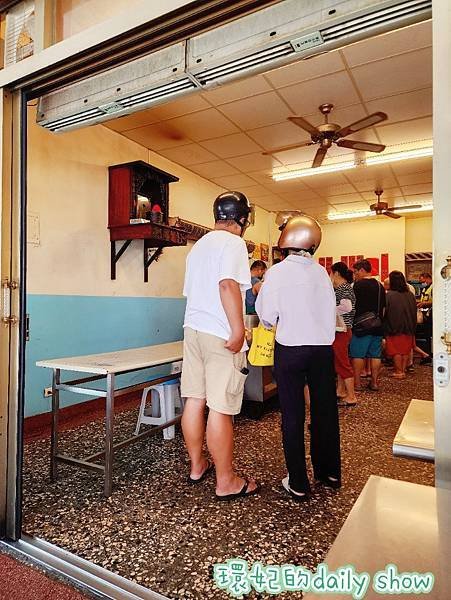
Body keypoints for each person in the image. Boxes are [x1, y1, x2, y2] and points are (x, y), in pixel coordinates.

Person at [181, 191, 260, 500]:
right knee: (220, 407)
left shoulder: (197, 247)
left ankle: (197, 465)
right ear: (241, 219)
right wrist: (238, 330)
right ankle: (226, 481)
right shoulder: (234, 243)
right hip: (220, 334)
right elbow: (227, 285)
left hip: (192, 330)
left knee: (195, 400)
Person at [256, 215, 340, 502]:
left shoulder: (277, 272)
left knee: (292, 415)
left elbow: (266, 316)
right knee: (324, 410)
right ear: (312, 244)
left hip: (290, 349)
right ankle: (329, 473)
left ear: (285, 243)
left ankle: (299, 482)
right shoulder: (322, 273)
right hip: (322, 350)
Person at [350, 259, 386, 392]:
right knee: (375, 355)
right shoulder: (379, 285)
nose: (355, 275)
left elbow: (352, 306)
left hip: (361, 326)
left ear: (361, 270)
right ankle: (374, 383)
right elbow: (383, 307)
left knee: (358, 355)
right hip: (377, 324)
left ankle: (357, 383)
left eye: (355, 272)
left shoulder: (357, 286)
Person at [330, 262, 357, 406]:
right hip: (344, 330)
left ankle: (351, 396)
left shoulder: (343, 288)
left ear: (336, 273)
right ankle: (340, 391)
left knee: (342, 362)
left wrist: (328, 309)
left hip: (341, 330)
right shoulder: (344, 288)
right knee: (340, 362)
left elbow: (346, 307)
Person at [383, 271, 417, 379]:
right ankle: (403, 370)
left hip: (394, 326)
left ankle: (398, 371)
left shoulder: (389, 295)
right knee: (405, 350)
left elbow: (385, 311)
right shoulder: (410, 295)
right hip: (409, 326)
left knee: (396, 350)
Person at [417, 272, 433, 364]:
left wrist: (424, 304)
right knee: (426, 336)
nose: (421, 283)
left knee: (429, 336)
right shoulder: (425, 289)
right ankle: (426, 354)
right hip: (425, 315)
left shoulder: (432, 288)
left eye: (422, 280)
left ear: (427, 278)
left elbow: (435, 300)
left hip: (431, 315)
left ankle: (429, 355)